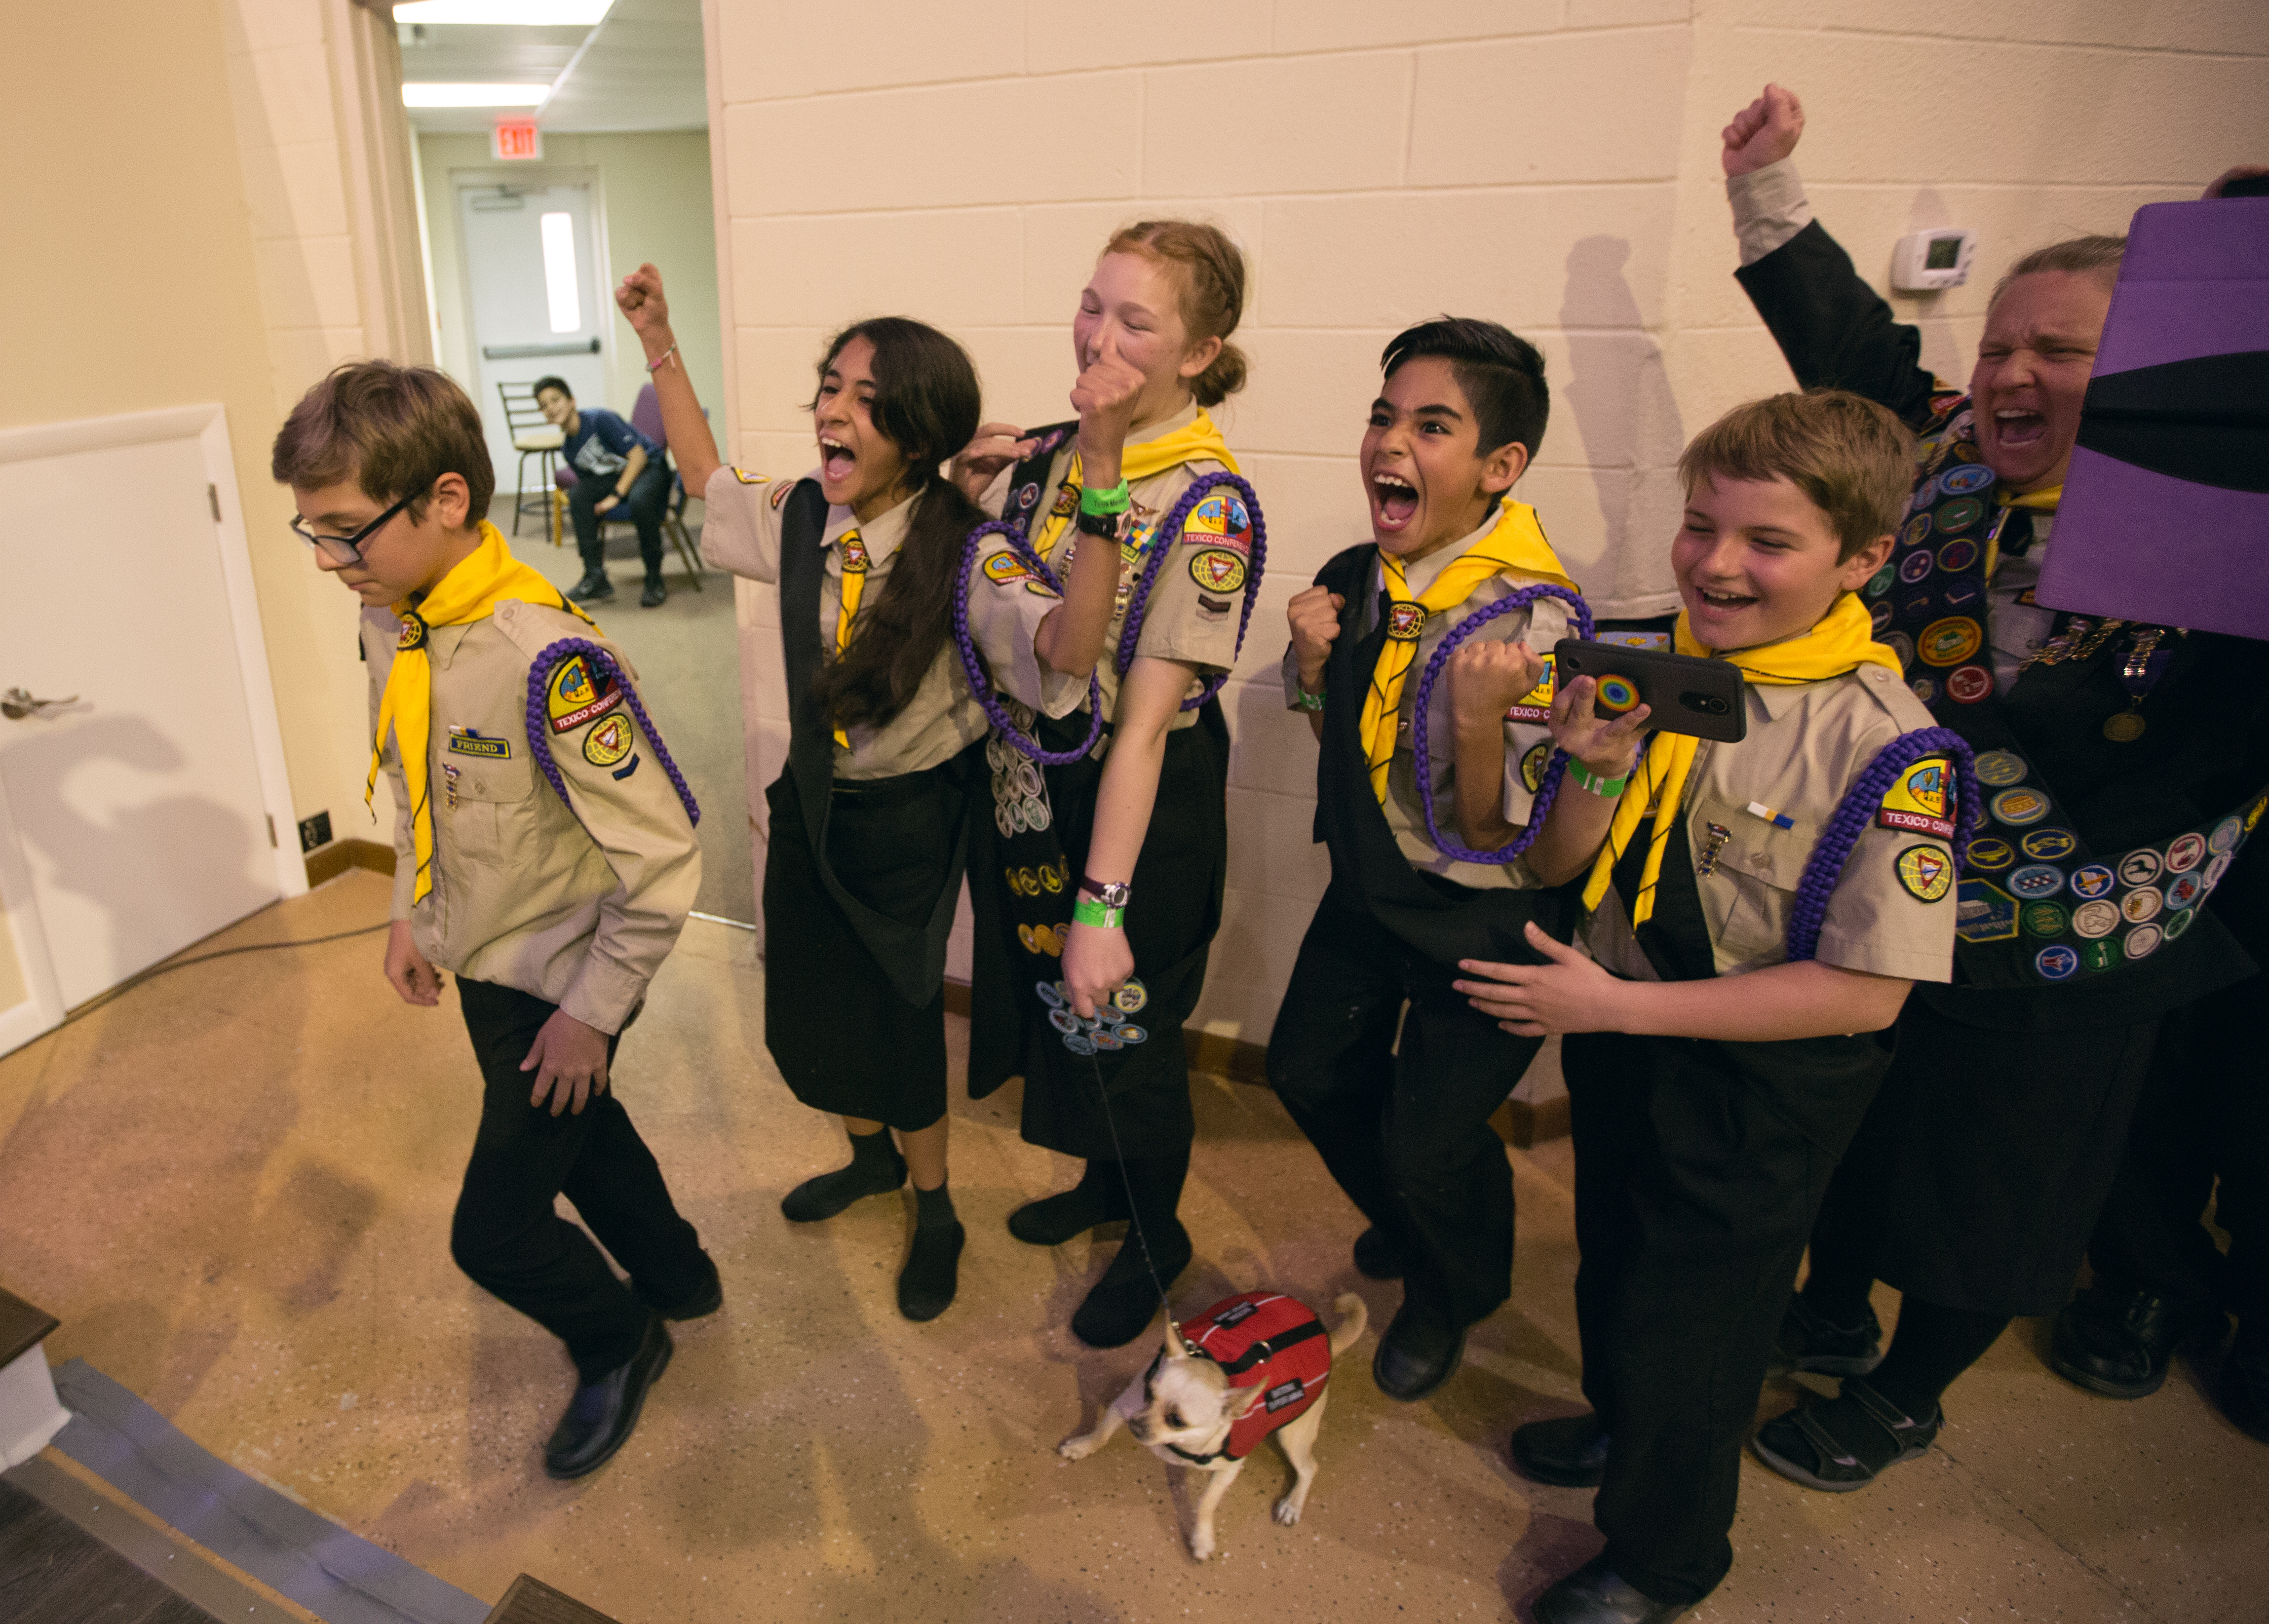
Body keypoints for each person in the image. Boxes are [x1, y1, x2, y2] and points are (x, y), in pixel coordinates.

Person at [1715, 84, 2269, 1495]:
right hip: (1891, 895)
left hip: (2075, 947)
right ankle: (1832, 1310)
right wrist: (1769, 185)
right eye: (2001, 343)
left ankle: (1906, 1394)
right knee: (1859, 1130)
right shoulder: (1948, 455)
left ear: (2160, 372)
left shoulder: (2229, 554)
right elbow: (1851, 346)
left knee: (1990, 1187)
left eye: (2062, 350)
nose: (2012, 373)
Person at [1461, 390, 1960, 1624]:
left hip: (1758, 1083)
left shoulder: (1883, 749)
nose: (1716, 565)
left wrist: (1615, 1011)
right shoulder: (1656, 669)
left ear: (1859, 559)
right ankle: (1623, 1426)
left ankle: (1664, 1552)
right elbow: (1553, 867)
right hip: (1622, 1035)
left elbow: (1867, 988)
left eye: (1766, 543)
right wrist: (1591, 766)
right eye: (1698, 526)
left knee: (1699, 1325)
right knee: (1616, 1264)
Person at [273, 361, 716, 1481]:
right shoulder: (398, 620)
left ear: (447, 501)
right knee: (582, 1134)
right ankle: (679, 1275)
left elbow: (663, 857)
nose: (331, 563)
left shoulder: (549, 660)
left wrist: (590, 1018)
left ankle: (622, 1338)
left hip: (566, 980)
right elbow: (417, 785)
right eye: (310, 533)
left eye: (345, 532)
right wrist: (405, 914)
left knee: (497, 1230)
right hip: (478, 954)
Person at [615, 264, 993, 1321]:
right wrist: (660, 340)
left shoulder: (967, 549)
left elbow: (1057, 643)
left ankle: (936, 1200)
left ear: (916, 436)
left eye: (864, 398)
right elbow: (704, 480)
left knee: (905, 1024)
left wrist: (1091, 486)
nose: (834, 407)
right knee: (819, 1008)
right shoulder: (799, 517)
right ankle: (868, 1159)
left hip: (912, 821)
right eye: (829, 386)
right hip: (816, 801)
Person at [1267, 317, 1592, 1402]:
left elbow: (1518, 841)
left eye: (1432, 426)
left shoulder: (1539, 622)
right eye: (1382, 416)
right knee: (1306, 1070)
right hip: (1369, 890)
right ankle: (1412, 1226)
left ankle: (1456, 1292)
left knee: (1430, 1136)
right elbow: (1343, 743)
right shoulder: (1359, 575)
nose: (1389, 444)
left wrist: (1484, 720)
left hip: (1484, 922)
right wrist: (1312, 668)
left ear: (1501, 467)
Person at [954, 219, 1261, 1349]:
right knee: (1068, 1018)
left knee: (1126, 1029)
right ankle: (1099, 1183)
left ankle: (1154, 1234)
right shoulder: (1056, 449)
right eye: (1093, 305)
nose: (1098, 336)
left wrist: (1101, 905)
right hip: (1039, 783)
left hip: (1136, 806)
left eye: (1137, 321)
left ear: (1197, 352)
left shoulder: (1203, 502)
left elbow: (1141, 728)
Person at [534, 375, 675, 608]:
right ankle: (595, 576)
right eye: (544, 406)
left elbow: (638, 456)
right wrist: (596, 502)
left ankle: (654, 578)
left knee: (639, 501)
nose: (550, 408)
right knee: (578, 496)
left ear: (572, 401)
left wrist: (616, 497)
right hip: (618, 475)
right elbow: (591, 483)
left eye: (555, 400)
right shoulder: (569, 448)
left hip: (651, 467)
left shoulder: (600, 420)